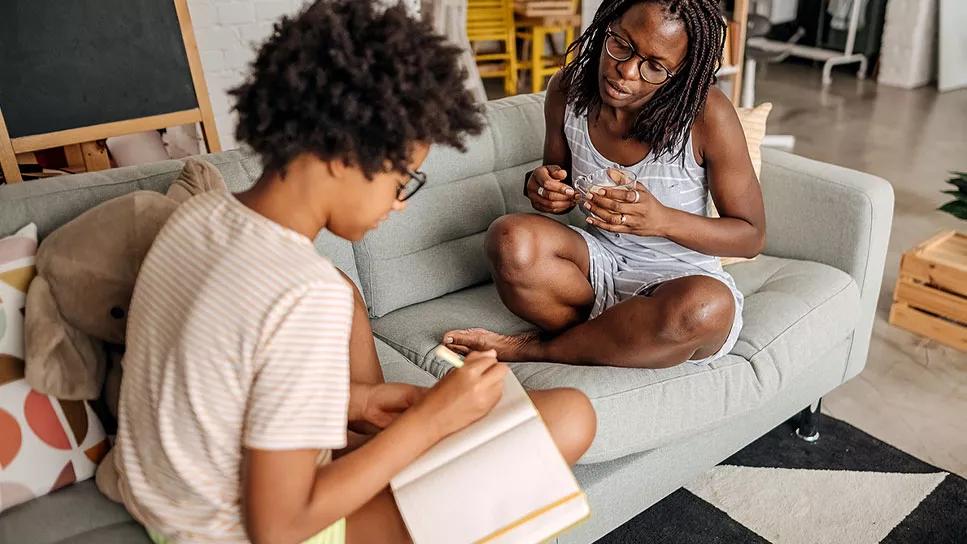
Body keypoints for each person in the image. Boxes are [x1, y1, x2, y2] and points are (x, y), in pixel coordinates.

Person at [113, 2, 596, 543]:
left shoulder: (200, 215)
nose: (399, 204)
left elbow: (215, 386)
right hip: (233, 529)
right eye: (403, 179)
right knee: (569, 418)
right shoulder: (301, 293)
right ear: (347, 156)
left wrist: (361, 403)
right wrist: (428, 423)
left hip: (165, 497)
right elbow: (278, 527)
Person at [443, 0, 766, 369]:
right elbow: (557, 180)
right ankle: (614, 338)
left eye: (655, 67)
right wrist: (542, 188)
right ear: (607, 24)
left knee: (705, 309)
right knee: (508, 239)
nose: (625, 71)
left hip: (681, 281)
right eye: (622, 45)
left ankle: (539, 350)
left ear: (681, 74)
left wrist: (661, 220)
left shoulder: (707, 115)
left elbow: (751, 235)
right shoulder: (568, 91)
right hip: (598, 267)